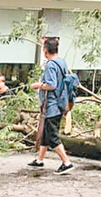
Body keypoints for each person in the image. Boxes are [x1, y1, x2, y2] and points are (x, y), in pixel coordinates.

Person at [28, 37, 74, 175]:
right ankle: (39, 159)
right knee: (46, 134)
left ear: (45, 50)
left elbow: (52, 84)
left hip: (52, 105)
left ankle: (67, 162)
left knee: (52, 136)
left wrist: (38, 85)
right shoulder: (62, 62)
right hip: (61, 103)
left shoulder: (50, 64)